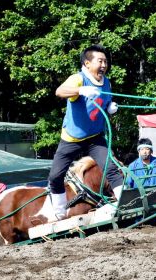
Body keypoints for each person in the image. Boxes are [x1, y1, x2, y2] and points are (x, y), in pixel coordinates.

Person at [47, 44, 124, 220]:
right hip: (72, 138)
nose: (104, 65)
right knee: (55, 176)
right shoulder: (79, 79)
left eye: (105, 61)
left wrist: (110, 106)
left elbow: (104, 102)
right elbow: (60, 91)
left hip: (95, 138)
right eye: (100, 61)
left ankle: (122, 203)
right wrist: (80, 90)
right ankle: (59, 213)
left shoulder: (107, 82)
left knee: (111, 168)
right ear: (87, 63)